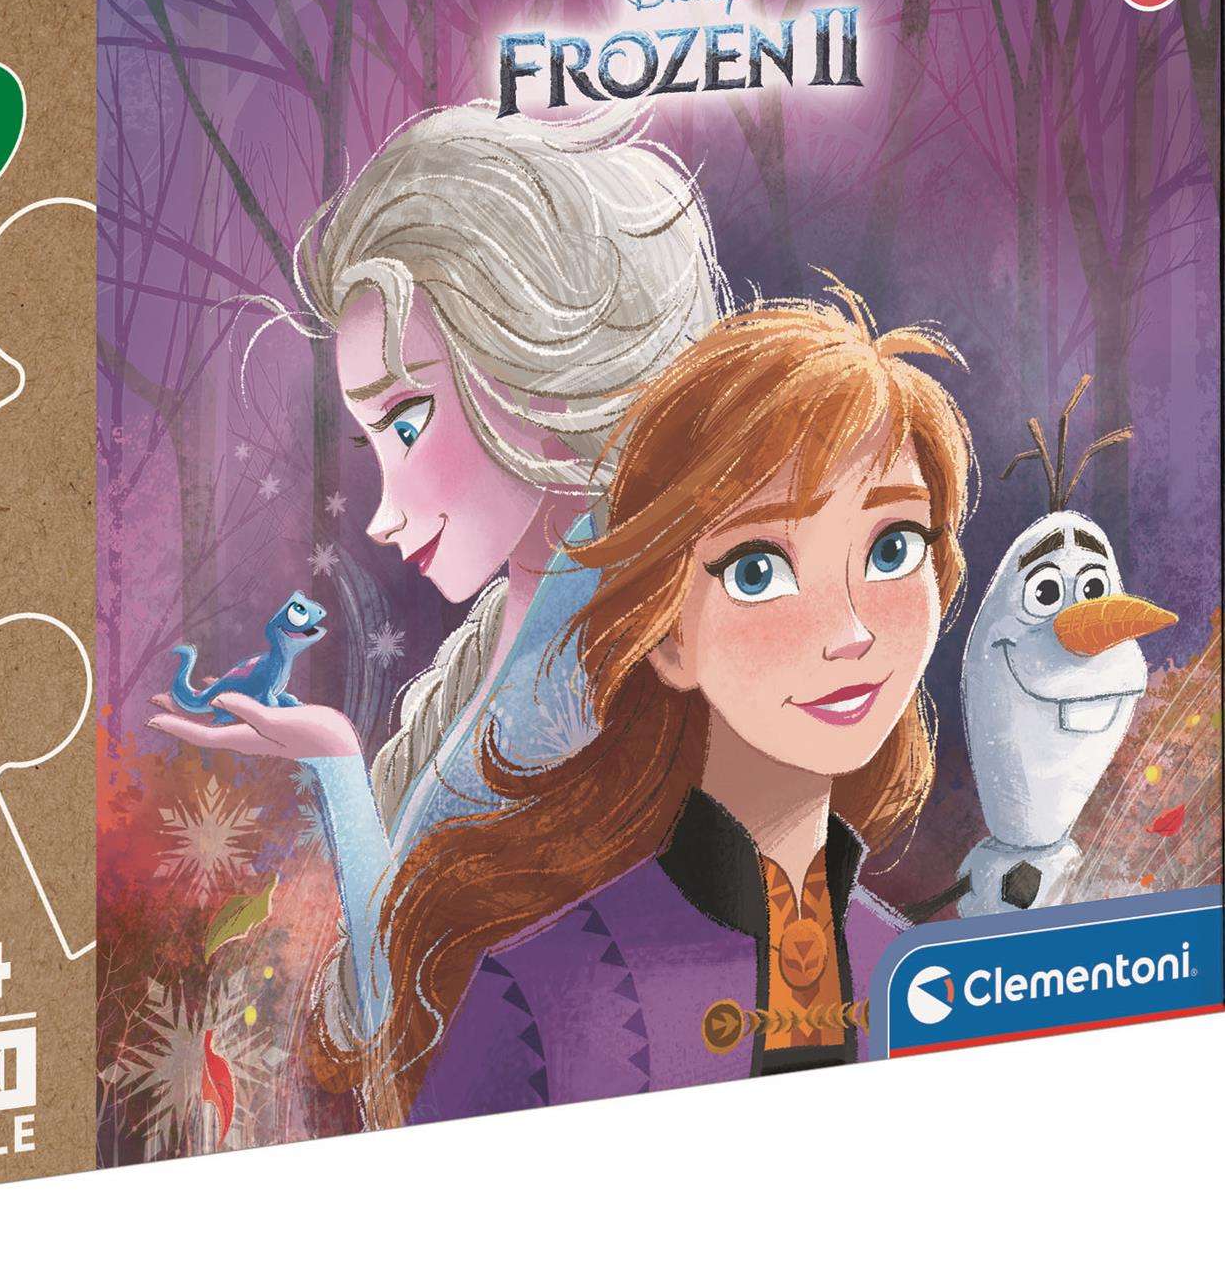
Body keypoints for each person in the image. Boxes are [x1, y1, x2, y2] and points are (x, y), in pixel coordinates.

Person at [146, 102, 727, 1074]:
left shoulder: (609, 653)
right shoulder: (516, 624)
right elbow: (401, 982)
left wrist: (339, 767)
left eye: (408, 425)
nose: (382, 516)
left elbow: (403, 1004)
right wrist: (335, 758)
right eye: (375, 441)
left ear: (532, 375)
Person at [382, 279, 977, 1125]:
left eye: (893, 549)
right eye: (759, 570)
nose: (850, 632)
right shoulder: (546, 1002)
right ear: (667, 635)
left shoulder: (917, 979)